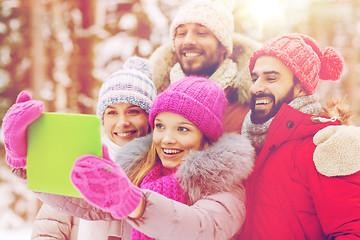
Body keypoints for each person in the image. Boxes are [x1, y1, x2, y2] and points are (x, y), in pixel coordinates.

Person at [4, 76, 255, 239]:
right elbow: (85, 203)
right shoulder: (145, 172)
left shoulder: (225, 185)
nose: (166, 139)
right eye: (160, 125)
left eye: (182, 129)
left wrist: (134, 201)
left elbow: (200, 228)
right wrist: (27, 158)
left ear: (206, 137)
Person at [2, 56, 157, 239]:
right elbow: (49, 230)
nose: (122, 122)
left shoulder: (162, 170)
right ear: (103, 119)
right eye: (112, 112)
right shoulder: (79, 163)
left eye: (134, 111)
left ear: (150, 117)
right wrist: (24, 160)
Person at [239, 33, 360, 239]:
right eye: (254, 77)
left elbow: (351, 231)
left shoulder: (326, 145)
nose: (256, 87)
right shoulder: (246, 145)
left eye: (271, 78)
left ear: (301, 87)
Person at [149, 0, 260, 133]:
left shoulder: (252, 106)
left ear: (223, 46)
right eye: (181, 33)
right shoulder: (154, 99)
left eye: (201, 33)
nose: (188, 40)